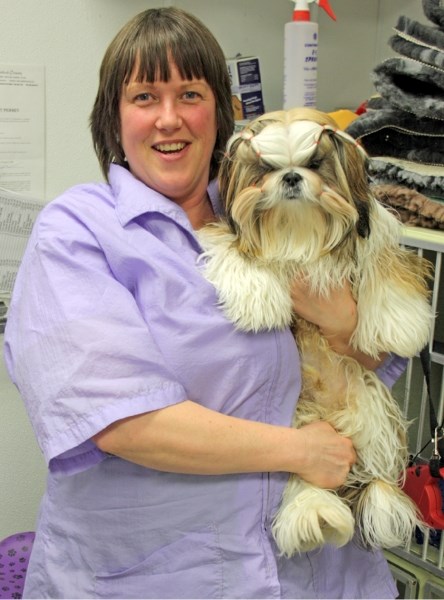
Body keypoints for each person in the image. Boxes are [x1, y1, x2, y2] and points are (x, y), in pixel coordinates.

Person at [3, 7, 406, 599]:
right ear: (114, 118)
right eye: (144, 96)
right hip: (163, 573)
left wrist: (346, 327)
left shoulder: (268, 207)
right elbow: (121, 422)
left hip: (323, 571)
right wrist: (300, 451)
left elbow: (384, 357)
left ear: (221, 111)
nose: (169, 118)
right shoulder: (77, 231)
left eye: (189, 93)